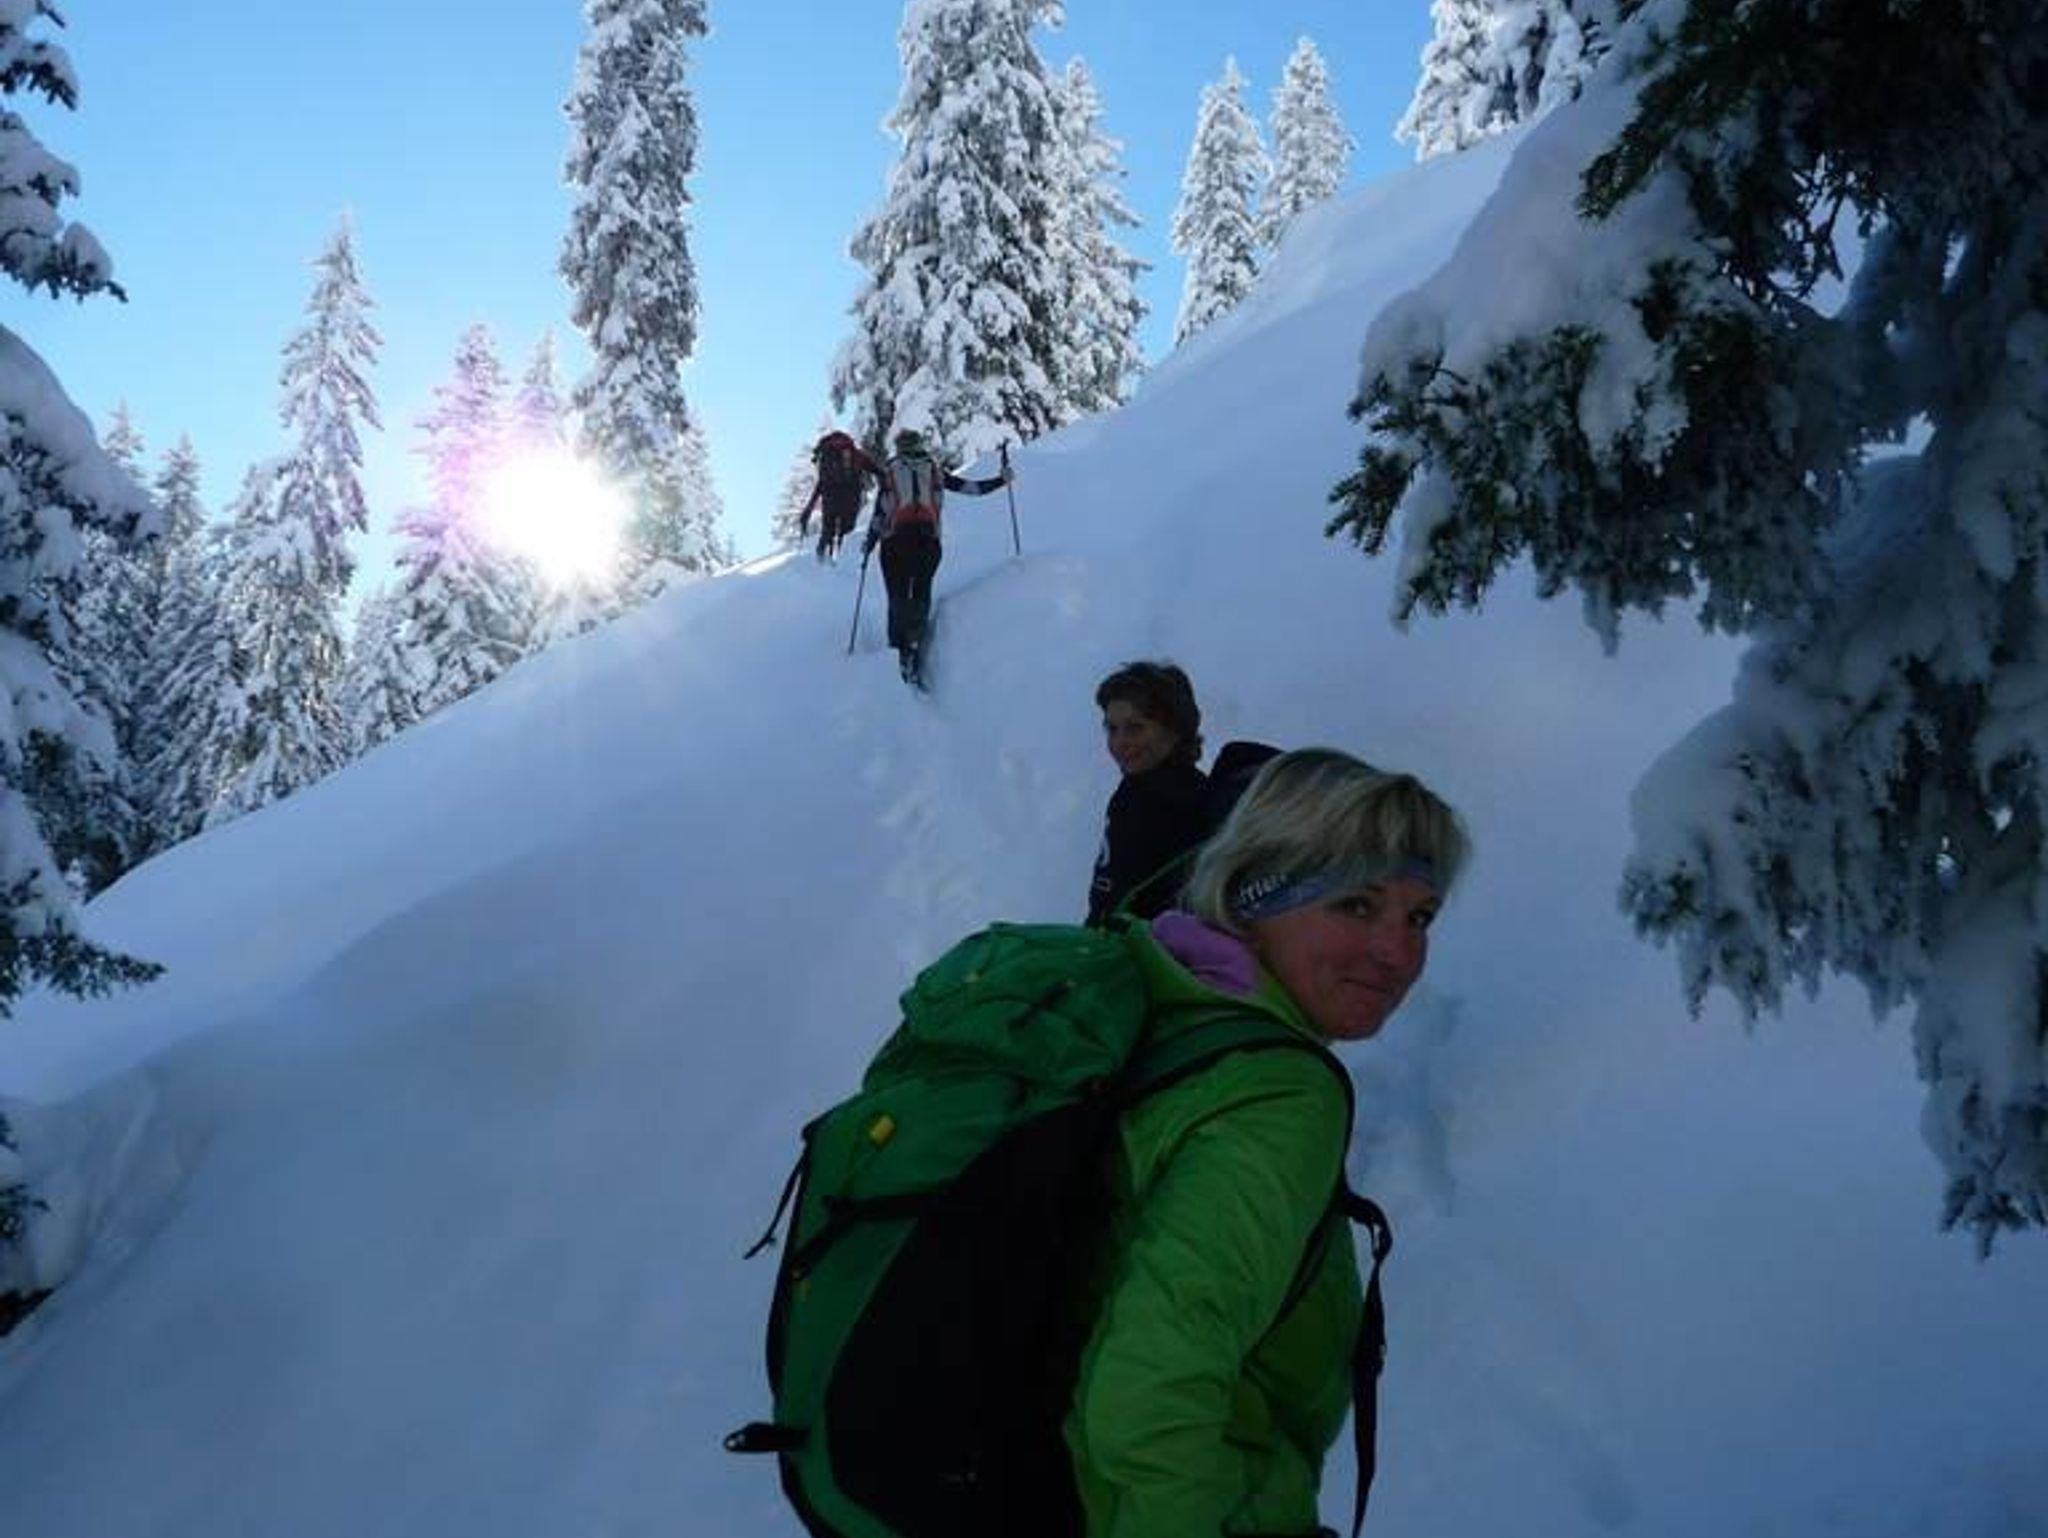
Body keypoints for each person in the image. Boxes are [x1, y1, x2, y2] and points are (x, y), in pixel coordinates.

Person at [1065, 747, 1470, 1538]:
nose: (1399, 953)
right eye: (1357, 904)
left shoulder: (1164, 1000)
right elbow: (1149, 1397)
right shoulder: (1276, 1097)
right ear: (1254, 895)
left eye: (1419, 917)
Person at [862, 427, 1010, 683]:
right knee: (921, 592)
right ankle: (915, 643)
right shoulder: (933, 471)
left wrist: (869, 543)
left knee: (897, 597)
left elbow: (880, 512)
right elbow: (970, 488)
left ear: (899, 448)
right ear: (920, 445)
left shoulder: (891, 472)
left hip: (895, 544)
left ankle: (898, 655)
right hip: (927, 542)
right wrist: (1001, 480)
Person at [1085, 661, 1214, 926]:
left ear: (1174, 730)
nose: (1120, 742)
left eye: (1135, 727)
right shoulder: (1136, 790)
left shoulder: (1184, 801)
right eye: (1112, 729)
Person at [798, 429, 883, 562]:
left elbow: (821, 483)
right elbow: (874, 468)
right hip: (852, 498)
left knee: (828, 530)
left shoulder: (826, 455)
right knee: (847, 532)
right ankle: (843, 563)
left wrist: (809, 508)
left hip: (830, 499)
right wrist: (884, 476)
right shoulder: (854, 453)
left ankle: (821, 558)